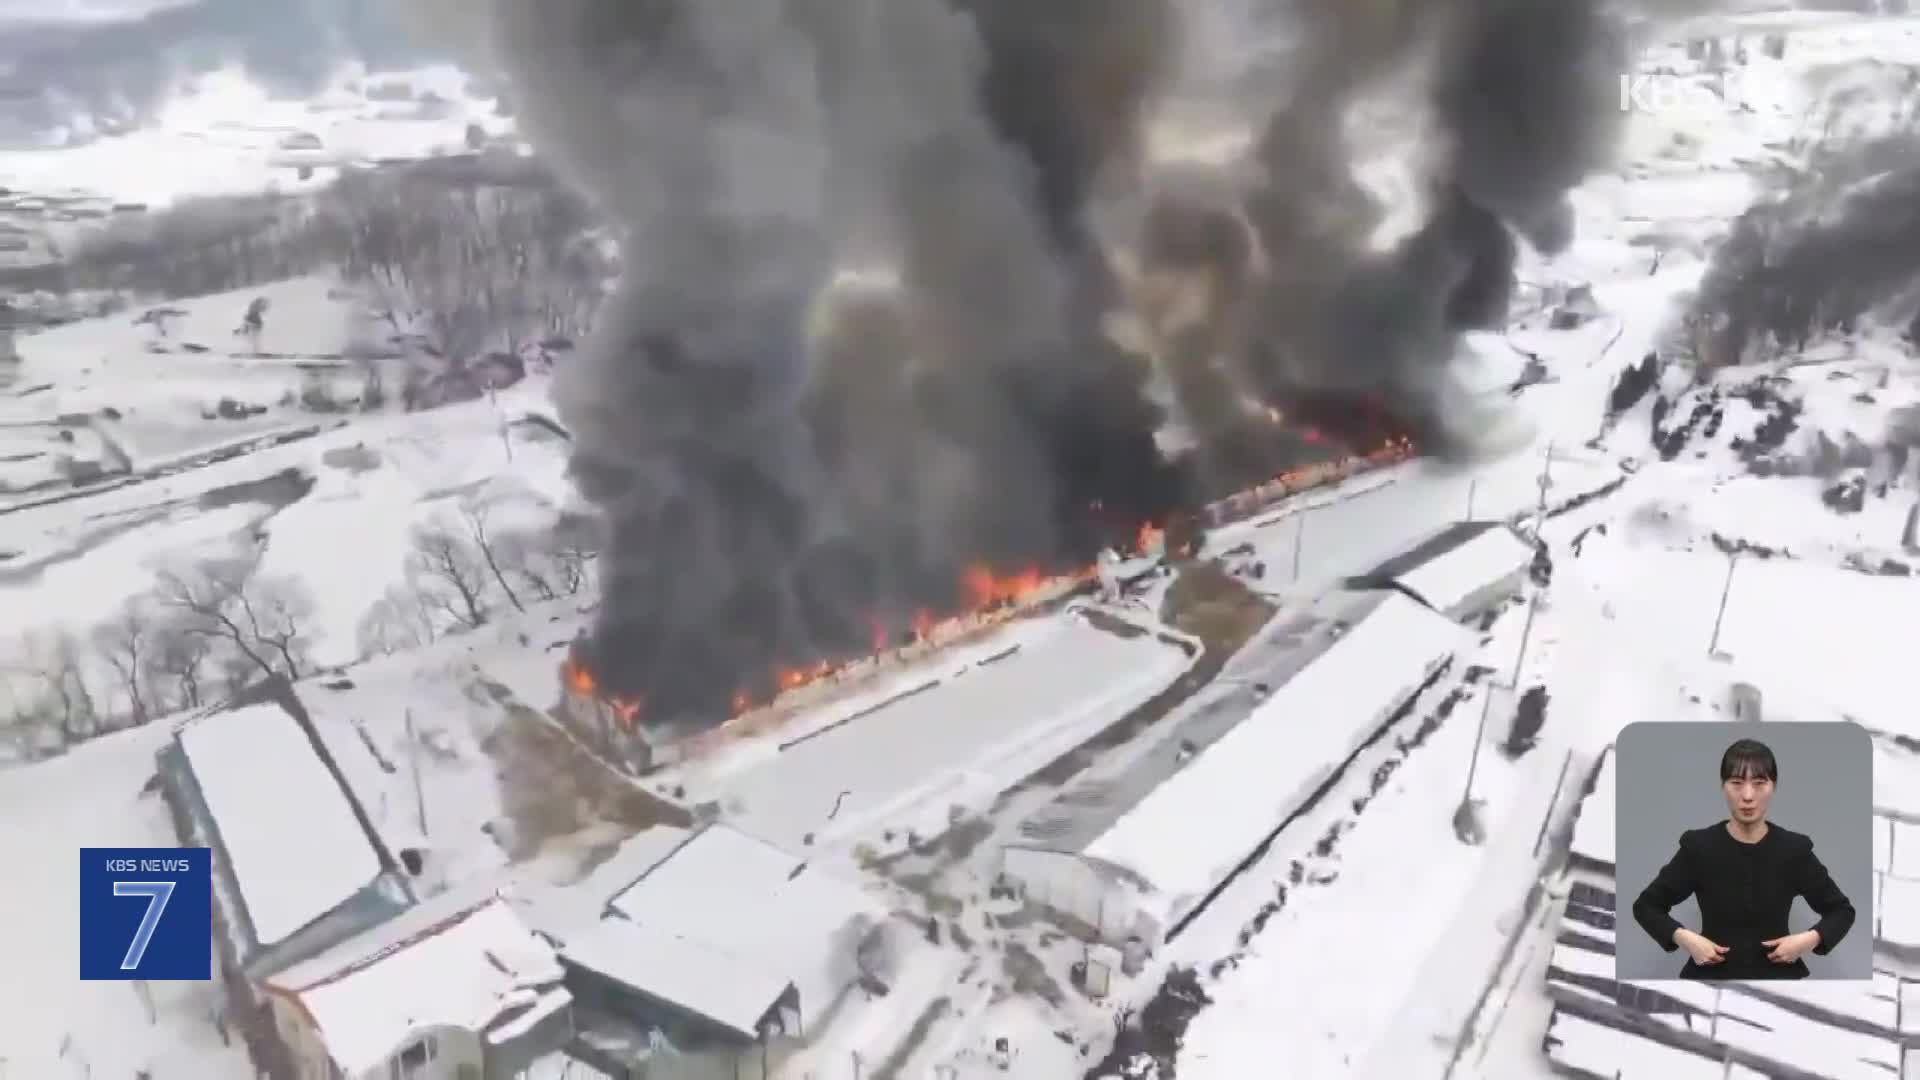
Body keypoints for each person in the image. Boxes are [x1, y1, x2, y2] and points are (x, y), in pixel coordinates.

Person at [1631, 738, 1855, 980]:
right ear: (1722, 786)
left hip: (1779, 984)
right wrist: (1687, 939)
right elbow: (1646, 906)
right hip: (1709, 982)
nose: (1747, 796)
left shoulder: (1794, 850)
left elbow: (1842, 911)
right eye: (1736, 783)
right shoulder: (1699, 847)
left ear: (1774, 786)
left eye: (1759, 783)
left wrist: (1807, 940)